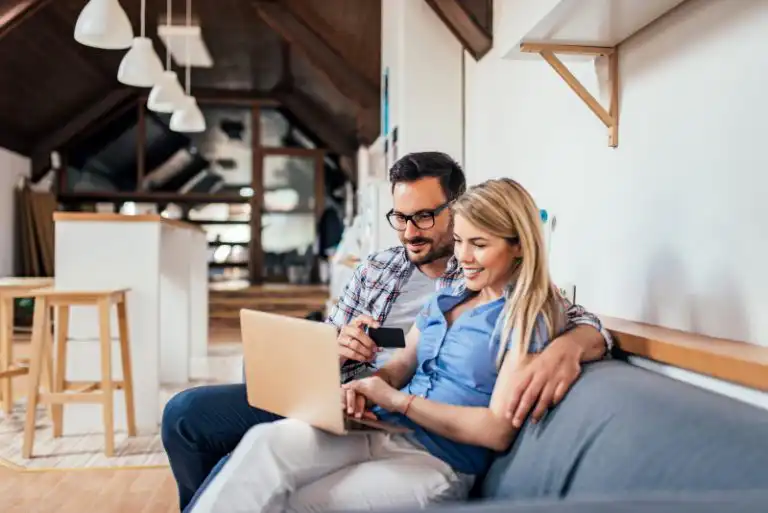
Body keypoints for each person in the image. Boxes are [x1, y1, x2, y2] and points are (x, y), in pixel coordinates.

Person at [162, 152, 612, 510]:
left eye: (423, 218)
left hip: (424, 444)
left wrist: (571, 345)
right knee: (213, 426)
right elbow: (386, 357)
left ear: (454, 212)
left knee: (278, 490)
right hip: (354, 407)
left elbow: (578, 322)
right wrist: (340, 351)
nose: (409, 232)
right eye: (400, 218)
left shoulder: (496, 292)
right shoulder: (391, 272)